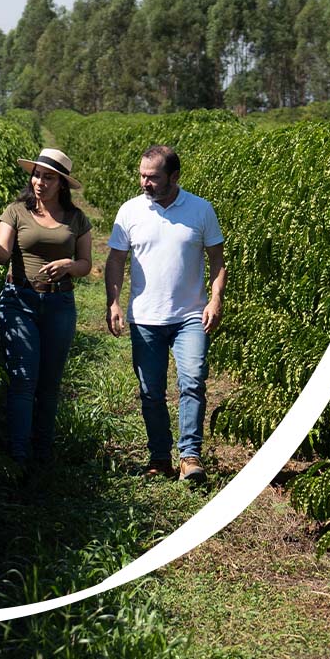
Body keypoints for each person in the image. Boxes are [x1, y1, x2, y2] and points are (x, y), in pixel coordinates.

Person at [104, 145, 226, 484]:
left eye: (153, 177)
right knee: (151, 390)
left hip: (190, 315)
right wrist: (113, 302)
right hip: (145, 318)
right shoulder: (129, 211)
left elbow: (217, 259)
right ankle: (160, 456)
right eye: (142, 176)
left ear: (174, 177)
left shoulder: (201, 210)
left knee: (193, 381)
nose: (145, 183)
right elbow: (115, 260)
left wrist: (215, 300)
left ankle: (190, 456)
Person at [0, 148, 92, 465]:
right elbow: (2, 254)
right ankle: (19, 454)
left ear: (61, 184)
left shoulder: (76, 219)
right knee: (24, 379)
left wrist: (68, 264)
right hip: (19, 301)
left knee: (50, 383)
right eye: (37, 175)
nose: (40, 182)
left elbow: (86, 265)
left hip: (59, 303)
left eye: (49, 177)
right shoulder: (16, 211)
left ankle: (43, 451)